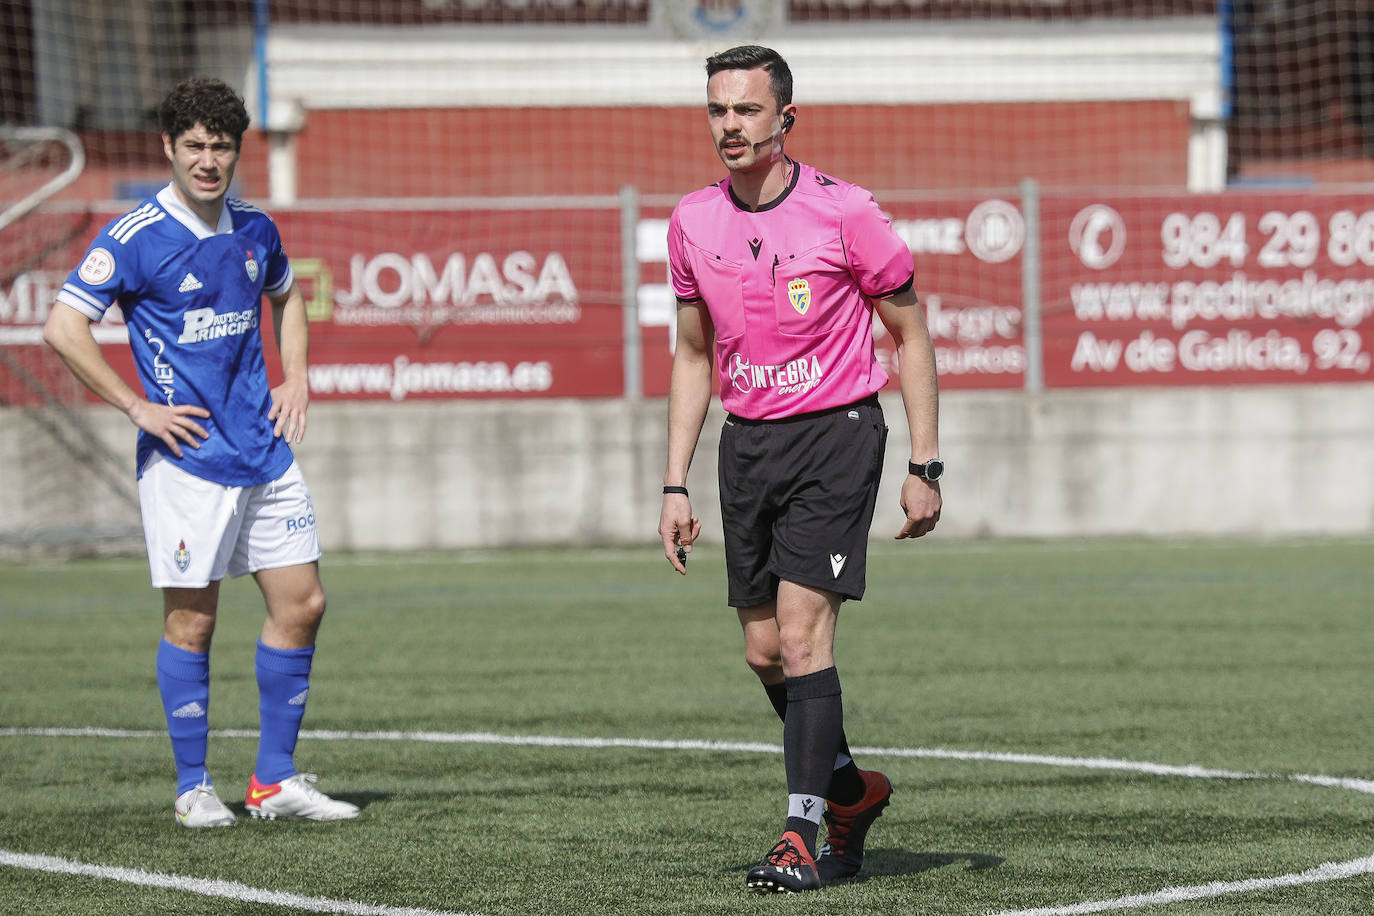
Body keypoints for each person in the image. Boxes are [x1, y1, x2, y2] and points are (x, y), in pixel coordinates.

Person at [657, 45, 942, 893]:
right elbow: (690, 356)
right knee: (761, 650)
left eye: (747, 110)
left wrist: (926, 462)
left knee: (800, 634)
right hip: (748, 446)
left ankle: (800, 834)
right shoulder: (691, 221)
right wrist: (674, 481)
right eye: (718, 110)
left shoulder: (845, 212)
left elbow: (911, 335)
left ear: (786, 119)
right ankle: (851, 793)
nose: (730, 126)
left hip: (837, 436)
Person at [43, 77, 358, 827]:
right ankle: (193, 787)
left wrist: (299, 378)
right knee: (194, 622)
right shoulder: (133, 236)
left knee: (304, 603)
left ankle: (273, 783)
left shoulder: (256, 229)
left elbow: (287, 298)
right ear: (169, 149)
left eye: (220, 147)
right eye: (194, 147)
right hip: (187, 459)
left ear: (236, 150)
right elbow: (63, 326)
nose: (208, 161)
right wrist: (137, 407)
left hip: (265, 451)